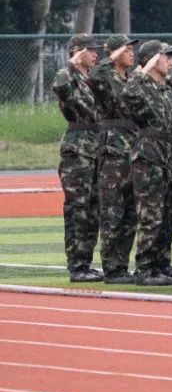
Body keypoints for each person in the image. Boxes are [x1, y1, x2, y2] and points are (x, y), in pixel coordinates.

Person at [122, 40, 172, 286]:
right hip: (149, 154)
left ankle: (161, 264)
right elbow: (128, 93)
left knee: (168, 213)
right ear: (152, 60)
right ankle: (146, 267)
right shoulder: (141, 86)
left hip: (168, 153)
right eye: (166, 57)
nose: (171, 61)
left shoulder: (166, 89)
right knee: (151, 214)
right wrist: (143, 69)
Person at [51, 34, 103, 282]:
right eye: (89, 50)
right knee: (78, 209)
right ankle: (77, 265)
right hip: (78, 148)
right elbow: (59, 86)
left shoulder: (89, 78)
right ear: (77, 52)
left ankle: (86, 262)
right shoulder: (68, 77)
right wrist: (71, 63)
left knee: (92, 209)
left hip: (95, 146)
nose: (95, 54)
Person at [89, 34, 139, 284]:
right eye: (126, 49)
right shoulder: (104, 77)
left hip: (134, 150)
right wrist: (112, 56)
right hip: (113, 151)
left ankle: (122, 265)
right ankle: (111, 267)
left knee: (131, 213)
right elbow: (94, 75)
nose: (131, 53)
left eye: (131, 49)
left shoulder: (131, 79)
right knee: (112, 211)